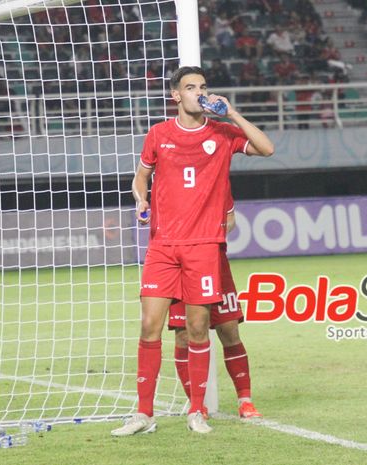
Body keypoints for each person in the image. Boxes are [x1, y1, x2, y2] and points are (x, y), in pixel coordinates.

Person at [111, 66, 274, 437]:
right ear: (175, 96)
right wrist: (140, 200)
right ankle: (143, 413)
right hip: (163, 246)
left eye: (203, 87)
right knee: (150, 326)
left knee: (200, 330)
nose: (198, 93)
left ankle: (197, 411)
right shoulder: (159, 134)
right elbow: (141, 177)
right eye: (190, 87)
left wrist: (230, 112)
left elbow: (266, 148)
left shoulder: (222, 133)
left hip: (203, 247)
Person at [169, 204, 263, 420]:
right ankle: (197, 405)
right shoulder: (169, 183)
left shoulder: (216, 180)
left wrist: (210, 233)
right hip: (180, 265)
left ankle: (245, 401)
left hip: (214, 262)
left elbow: (230, 220)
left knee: (229, 330)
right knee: (184, 335)